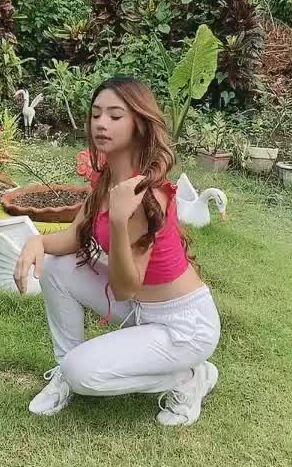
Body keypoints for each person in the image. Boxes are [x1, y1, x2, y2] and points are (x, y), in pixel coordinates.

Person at [14, 76, 221, 427]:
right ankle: (64, 370)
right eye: (96, 114)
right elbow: (75, 237)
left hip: (183, 326)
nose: (101, 123)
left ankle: (188, 377)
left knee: (83, 373)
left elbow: (125, 288)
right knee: (55, 267)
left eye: (114, 115)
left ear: (139, 123)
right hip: (141, 309)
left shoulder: (147, 196)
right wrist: (37, 242)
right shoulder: (108, 177)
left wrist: (120, 222)